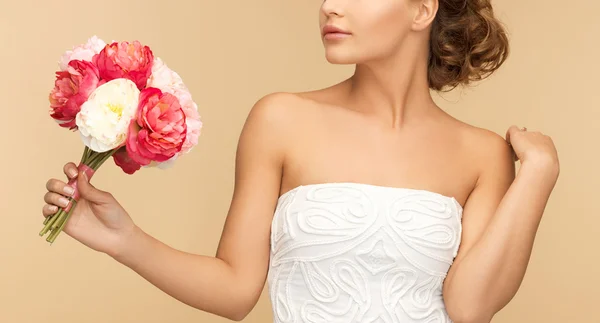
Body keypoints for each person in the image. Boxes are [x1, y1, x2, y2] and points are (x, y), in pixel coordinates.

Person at [41, 0, 560, 322]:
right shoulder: (280, 119)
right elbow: (235, 291)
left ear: (422, 9)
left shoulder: (484, 154)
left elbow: (471, 309)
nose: (330, 6)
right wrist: (122, 239)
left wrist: (538, 175)